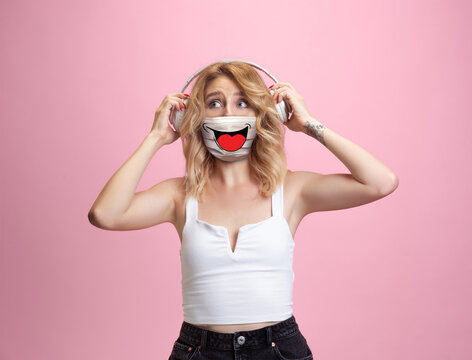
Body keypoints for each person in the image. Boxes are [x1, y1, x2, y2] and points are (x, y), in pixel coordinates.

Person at [88, 60, 399, 360]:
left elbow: (381, 182)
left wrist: (308, 124)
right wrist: (156, 137)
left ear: (265, 113)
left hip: (279, 348)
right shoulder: (178, 196)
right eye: (214, 103)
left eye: (242, 103)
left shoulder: (292, 190)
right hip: (198, 350)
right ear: (193, 118)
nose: (227, 113)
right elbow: (105, 214)